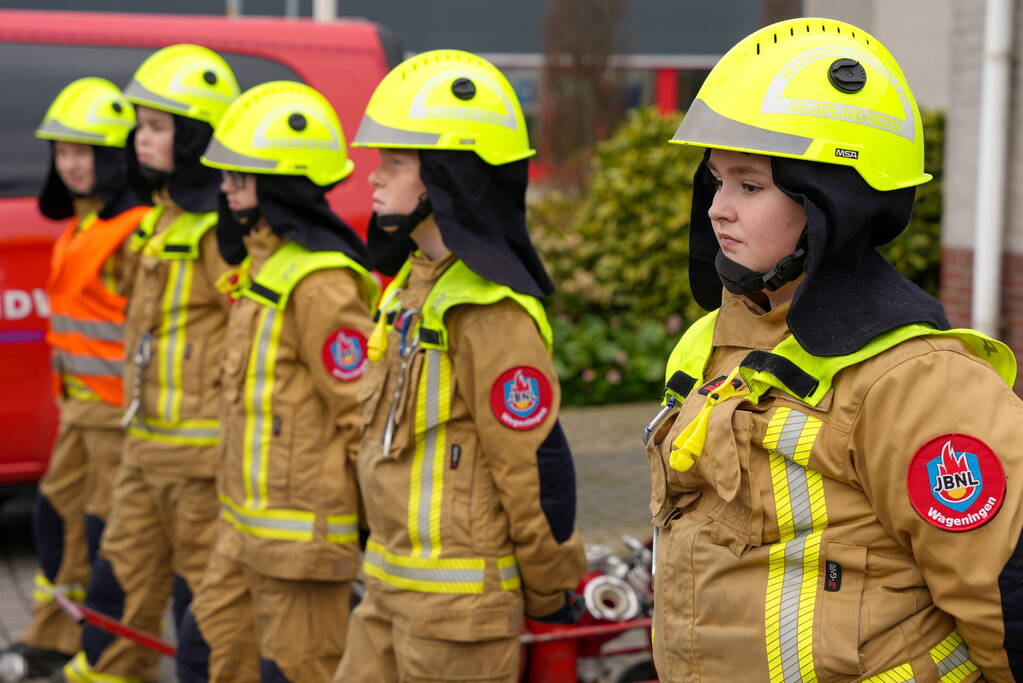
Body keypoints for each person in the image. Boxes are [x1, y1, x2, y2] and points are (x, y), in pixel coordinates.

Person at [645, 17, 1023, 682]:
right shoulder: (709, 341)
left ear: (833, 203)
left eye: (749, 185)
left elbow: (1001, 598)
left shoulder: (919, 380)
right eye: (715, 181)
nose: (716, 209)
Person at [332, 49, 587, 683]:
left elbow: (532, 469)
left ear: (449, 178)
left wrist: (553, 592)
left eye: (394, 163)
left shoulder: (489, 312)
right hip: (387, 591)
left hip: (457, 620)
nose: (373, 178)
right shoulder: (408, 291)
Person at [173, 80, 377, 683]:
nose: (225, 189)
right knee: (202, 654)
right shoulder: (263, 266)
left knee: (299, 673)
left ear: (281, 184)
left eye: (239, 177)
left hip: (301, 544)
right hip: (241, 531)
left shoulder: (322, 285)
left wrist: (369, 531)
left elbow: (357, 414)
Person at [62, 44, 239, 683]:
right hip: (144, 450)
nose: (141, 139)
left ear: (196, 136)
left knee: (202, 606)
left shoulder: (224, 233)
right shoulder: (158, 221)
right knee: (113, 588)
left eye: (159, 126)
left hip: (199, 464)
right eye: (140, 124)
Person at [0, 77, 146, 679]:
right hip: (80, 410)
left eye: (86, 152)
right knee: (59, 524)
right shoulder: (81, 228)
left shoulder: (132, 230)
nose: (73, 165)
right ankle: (54, 633)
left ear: (115, 157)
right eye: (63, 153)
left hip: (116, 415)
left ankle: (110, 651)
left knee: (109, 536)